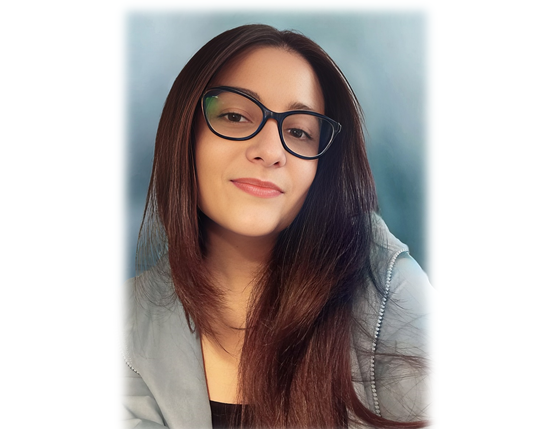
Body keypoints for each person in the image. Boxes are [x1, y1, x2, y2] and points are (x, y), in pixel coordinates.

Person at [123, 24, 431, 429]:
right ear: (185, 133)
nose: (270, 152)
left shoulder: (389, 289)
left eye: (299, 132)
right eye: (235, 116)